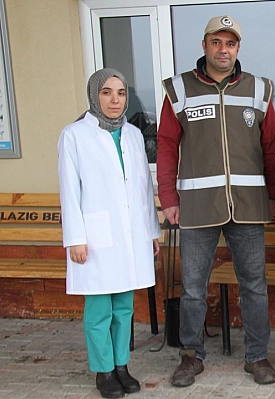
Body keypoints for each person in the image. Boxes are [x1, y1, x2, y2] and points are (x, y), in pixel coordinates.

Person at [156, 15, 275, 387]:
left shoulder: (259, 89)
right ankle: (191, 355)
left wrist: (274, 194)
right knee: (193, 287)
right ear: (204, 45)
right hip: (196, 207)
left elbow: (271, 144)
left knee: (254, 286)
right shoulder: (179, 90)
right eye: (216, 42)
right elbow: (165, 145)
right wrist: (168, 198)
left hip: (247, 205)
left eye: (230, 43)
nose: (222, 49)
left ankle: (257, 356)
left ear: (238, 48)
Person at [58, 68, 161, 399]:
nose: (115, 100)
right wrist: (75, 238)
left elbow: (144, 188)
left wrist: (151, 231)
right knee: (100, 309)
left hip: (131, 235)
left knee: (125, 308)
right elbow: (69, 190)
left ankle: (121, 366)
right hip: (95, 236)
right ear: (94, 96)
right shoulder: (74, 135)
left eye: (120, 93)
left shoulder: (131, 134)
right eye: (106, 92)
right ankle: (103, 371)